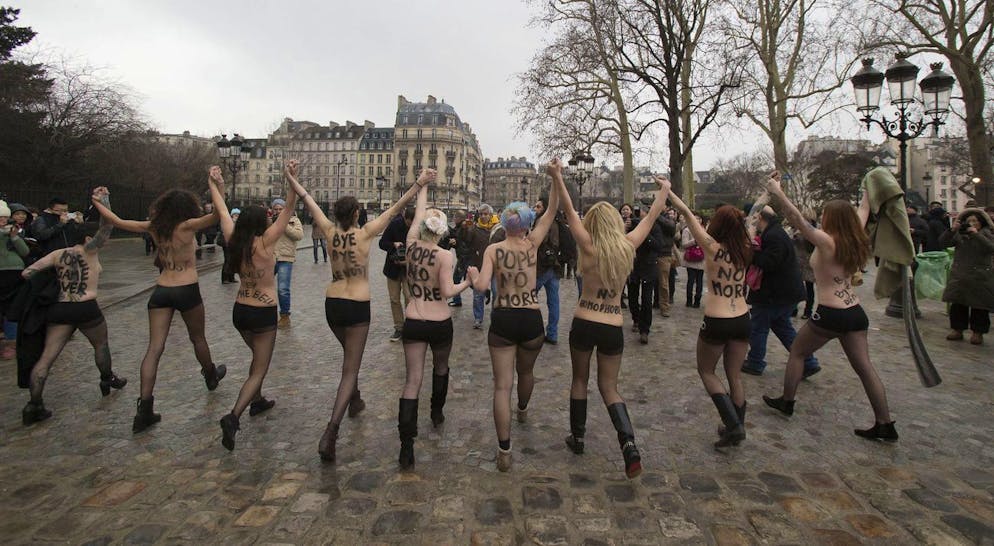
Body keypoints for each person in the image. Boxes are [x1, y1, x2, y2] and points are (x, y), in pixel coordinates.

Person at [286, 167, 431, 462]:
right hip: (356, 304)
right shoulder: (365, 233)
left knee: (348, 358)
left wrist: (292, 178)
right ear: (355, 215)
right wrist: (420, 183)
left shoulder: (328, 231)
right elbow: (396, 208)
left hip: (332, 304)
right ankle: (331, 432)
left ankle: (355, 400)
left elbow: (306, 198)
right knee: (350, 369)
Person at [90, 169, 228, 434]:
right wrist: (217, 185)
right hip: (186, 287)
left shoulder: (153, 227)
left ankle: (144, 408)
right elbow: (218, 214)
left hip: (162, 290)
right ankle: (210, 374)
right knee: (197, 338)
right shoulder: (187, 226)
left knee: (154, 348)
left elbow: (116, 220)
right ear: (187, 207)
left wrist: (98, 202)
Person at [762, 173, 897, 441]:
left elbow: (797, 220)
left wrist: (777, 192)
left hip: (831, 311)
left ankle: (787, 401)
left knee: (798, 352)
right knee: (865, 368)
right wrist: (869, 184)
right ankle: (885, 422)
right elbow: (864, 208)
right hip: (854, 311)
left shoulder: (827, 242)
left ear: (831, 219)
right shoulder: (855, 236)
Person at [552, 166, 667, 479]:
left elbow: (567, 208)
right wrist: (664, 190)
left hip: (585, 320)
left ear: (593, 222)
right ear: (616, 222)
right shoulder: (627, 246)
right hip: (612, 324)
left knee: (579, 380)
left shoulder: (587, 246)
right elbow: (652, 216)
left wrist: (557, 175)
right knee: (609, 387)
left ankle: (577, 437)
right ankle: (628, 444)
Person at [467, 161, 560, 472]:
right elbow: (552, 211)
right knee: (527, 373)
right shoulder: (532, 244)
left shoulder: (493, 250)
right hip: (531, 317)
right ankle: (523, 408)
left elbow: (481, 288)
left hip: (503, 318)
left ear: (503, 224)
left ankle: (504, 451)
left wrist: (471, 274)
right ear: (526, 224)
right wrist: (556, 178)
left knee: (500, 386)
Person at [209, 163, 298, 450]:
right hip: (262, 311)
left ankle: (257, 401)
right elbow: (288, 210)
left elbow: (222, 209)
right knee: (259, 368)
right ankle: (233, 417)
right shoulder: (266, 241)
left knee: (256, 358)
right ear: (262, 223)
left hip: (240, 309)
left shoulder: (232, 238)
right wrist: (290, 179)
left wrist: (214, 183)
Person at [20, 187, 127, 425]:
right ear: (87, 239)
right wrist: (104, 201)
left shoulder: (58, 254)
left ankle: (33, 404)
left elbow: (28, 272)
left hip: (61, 308)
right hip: (86, 307)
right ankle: (106, 378)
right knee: (100, 345)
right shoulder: (90, 251)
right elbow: (107, 227)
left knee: (46, 358)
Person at [396, 186, 474, 469]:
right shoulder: (444, 256)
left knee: (411, 380)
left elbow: (417, 216)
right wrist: (467, 282)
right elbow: (447, 290)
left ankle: (407, 445)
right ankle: (436, 411)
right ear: (441, 233)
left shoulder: (411, 245)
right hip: (439, 320)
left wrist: (423, 185)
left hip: (414, 318)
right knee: (441, 367)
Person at [668, 190, 753, 448]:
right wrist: (770, 194)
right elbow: (752, 217)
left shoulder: (712, 247)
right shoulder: (747, 249)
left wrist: (667, 190)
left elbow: (685, 213)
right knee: (734, 375)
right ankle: (734, 425)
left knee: (707, 370)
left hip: (717, 318)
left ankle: (734, 425)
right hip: (742, 315)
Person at [741, 206, 821, 378]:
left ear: (759, 217)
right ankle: (807, 362)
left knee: (758, 327)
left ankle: (755, 362)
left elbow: (769, 262)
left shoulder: (773, 235)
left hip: (774, 293)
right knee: (783, 327)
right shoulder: (774, 232)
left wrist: (750, 253)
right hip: (783, 293)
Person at [940, 209, 994, 345]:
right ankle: (957, 329)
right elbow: (943, 243)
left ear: (981, 223)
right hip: (960, 274)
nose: (971, 223)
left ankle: (978, 332)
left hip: (980, 276)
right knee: (958, 304)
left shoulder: (987, 234)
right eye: (969, 221)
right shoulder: (959, 235)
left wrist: (976, 235)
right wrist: (952, 230)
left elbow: (991, 247)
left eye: (974, 221)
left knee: (980, 306)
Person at [0, 201, 31, 360]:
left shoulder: (13, 232)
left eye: (5, 218)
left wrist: (14, 236)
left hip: (13, 272)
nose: (3, 221)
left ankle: (11, 343)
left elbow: (25, 251)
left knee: (12, 308)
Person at [628, 208, 664, 343]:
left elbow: (658, 246)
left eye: (643, 211)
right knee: (632, 295)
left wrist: (645, 233)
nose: (640, 214)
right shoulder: (632, 225)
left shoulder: (655, 227)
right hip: (633, 266)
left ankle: (644, 330)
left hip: (649, 267)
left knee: (647, 300)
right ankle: (636, 319)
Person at [380, 208, 414, 341]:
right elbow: (382, 243)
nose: (411, 226)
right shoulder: (394, 224)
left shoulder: (417, 228)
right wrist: (393, 244)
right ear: (406, 219)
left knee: (409, 297)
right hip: (393, 268)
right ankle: (399, 328)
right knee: (394, 299)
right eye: (409, 223)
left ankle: (411, 325)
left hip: (408, 269)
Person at [271, 198, 303, 329]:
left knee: (282, 289)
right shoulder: (269, 221)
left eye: (280, 209)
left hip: (286, 257)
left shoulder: (294, 220)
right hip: (270, 257)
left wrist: (284, 225)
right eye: (276, 209)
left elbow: (299, 235)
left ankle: (284, 316)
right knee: (262, 285)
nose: (278, 211)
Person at [533, 196, 561, 344]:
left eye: (538, 207)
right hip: (554, 266)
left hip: (542, 267)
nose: (535, 209)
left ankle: (533, 331)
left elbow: (538, 241)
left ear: (545, 208)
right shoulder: (556, 221)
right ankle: (552, 333)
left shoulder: (543, 221)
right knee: (554, 302)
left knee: (530, 297)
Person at [467, 204, 499, 329]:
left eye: (486, 214)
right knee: (478, 293)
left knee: (497, 292)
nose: (483, 216)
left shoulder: (498, 228)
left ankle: (495, 318)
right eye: (481, 214)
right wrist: (466, 230)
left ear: (491, 215)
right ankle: (478, 318)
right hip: (480, 264)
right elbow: (468, 242)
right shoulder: (475, 228)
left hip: (496, 266)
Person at [652, 208, 677, 317]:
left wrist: (656, 215)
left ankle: (664, 306)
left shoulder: (667, 218)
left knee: (663, 282)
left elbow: (671, 227)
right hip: (650, 252)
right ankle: (654, 302)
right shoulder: (649, 216)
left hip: (664, 253)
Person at [792, 216, 817, 319]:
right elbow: (790, 243)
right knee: (795, 287)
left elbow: (812, 246)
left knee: (809, 288)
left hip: (809, 264)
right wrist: (794, 236)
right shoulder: (795, 229)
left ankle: (808, 311)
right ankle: (793, 309)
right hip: (798, 262)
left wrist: (806, 236)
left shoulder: (815, 232)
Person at [680, 212, 705, 308]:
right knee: (691, 280)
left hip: (701, 259)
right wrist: (695, 241)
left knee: (700, 281)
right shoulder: (687, 230)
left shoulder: (704, 230)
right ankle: (689, 300)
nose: (698, 220)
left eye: (699, 218)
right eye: (695, 218)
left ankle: (697, 301)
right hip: (691, 259)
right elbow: (684, 244)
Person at [448, 209, 472, 307]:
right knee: (469, 279)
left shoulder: (463, 227)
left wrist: (455, 242)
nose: (454, 219)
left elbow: (462, 243)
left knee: (456, 279)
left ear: (459, 218)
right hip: (465, 257)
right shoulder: (460, 227)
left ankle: (457, 301)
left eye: (455, 217)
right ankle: (483, 289)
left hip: (463, 258)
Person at [219, 208, 240, 284]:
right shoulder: (227, 222)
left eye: (238, 215)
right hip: (226, 244)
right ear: (232, 215)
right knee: (227, 260)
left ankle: (231, 277)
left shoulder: (238, 223)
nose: (236, 216)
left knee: (233, 260)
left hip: (234, 244)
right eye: (235, 215)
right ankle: (224, 278)